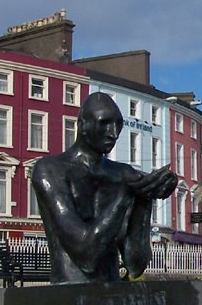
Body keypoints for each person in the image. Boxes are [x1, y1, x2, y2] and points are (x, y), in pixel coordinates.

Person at [31, 92, 178, 284]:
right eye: (104, 123)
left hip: (112, 285)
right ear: (82, 124)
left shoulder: (122, 174)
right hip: (70, 289)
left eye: (118, 124)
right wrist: (127, 194)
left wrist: (145, 197)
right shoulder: (50, 170)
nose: (113, 133)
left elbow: (136, 265)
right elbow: (86, 256)